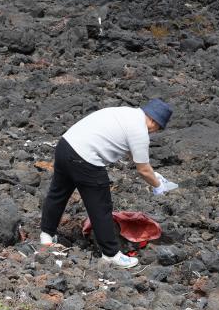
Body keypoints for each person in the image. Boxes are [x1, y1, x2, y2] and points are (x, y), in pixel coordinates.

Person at [39, 98, 178, 268]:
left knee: (58, 193)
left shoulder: (126, 113)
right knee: (100, 207)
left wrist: (152, 173)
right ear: (154, 122)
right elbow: (143, 170)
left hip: (66, 145)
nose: (154, 132)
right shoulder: (140, 130)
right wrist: (158, 185)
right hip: (86, 158)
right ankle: (111, 254)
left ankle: (46, 236)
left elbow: (132, 152)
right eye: (157, 128)